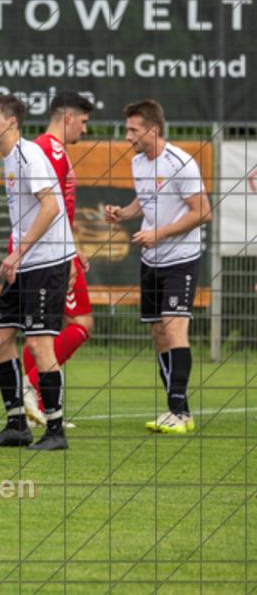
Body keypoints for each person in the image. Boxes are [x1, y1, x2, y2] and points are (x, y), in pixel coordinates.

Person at [104, 99, 212, 434]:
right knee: (158, 334)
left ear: (153, 130)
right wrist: (124, 213)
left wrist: (159, 234)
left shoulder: (181, 162)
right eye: (127, 130)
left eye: (133, 130)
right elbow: (145, 200)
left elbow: (203, 213)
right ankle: (179, 410)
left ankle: (177, 412)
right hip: (151, 261)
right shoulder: (138, 161)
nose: (127, 136)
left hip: (181, 260)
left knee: (174, 328)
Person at [0, 94, 76, 451]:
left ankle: (55, 431)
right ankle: (17, 424)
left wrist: (18, 253)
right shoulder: (10, 158)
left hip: (46, 261)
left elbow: (52, 206)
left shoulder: (28, 155)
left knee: (38, 342)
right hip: (28, 262)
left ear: (12, 122)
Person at [18, 91, 95, 427]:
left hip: (55, 249)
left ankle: (35, 401)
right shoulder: (50, 149)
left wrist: (73, 245)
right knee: (80, 325)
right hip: (51, 253)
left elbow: (55, 207)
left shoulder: (44, 148)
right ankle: (31, 388)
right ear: (68, 118)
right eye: (84, 121)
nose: (85, 129)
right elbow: (48, 207)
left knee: (40, 330)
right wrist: (66, 254)